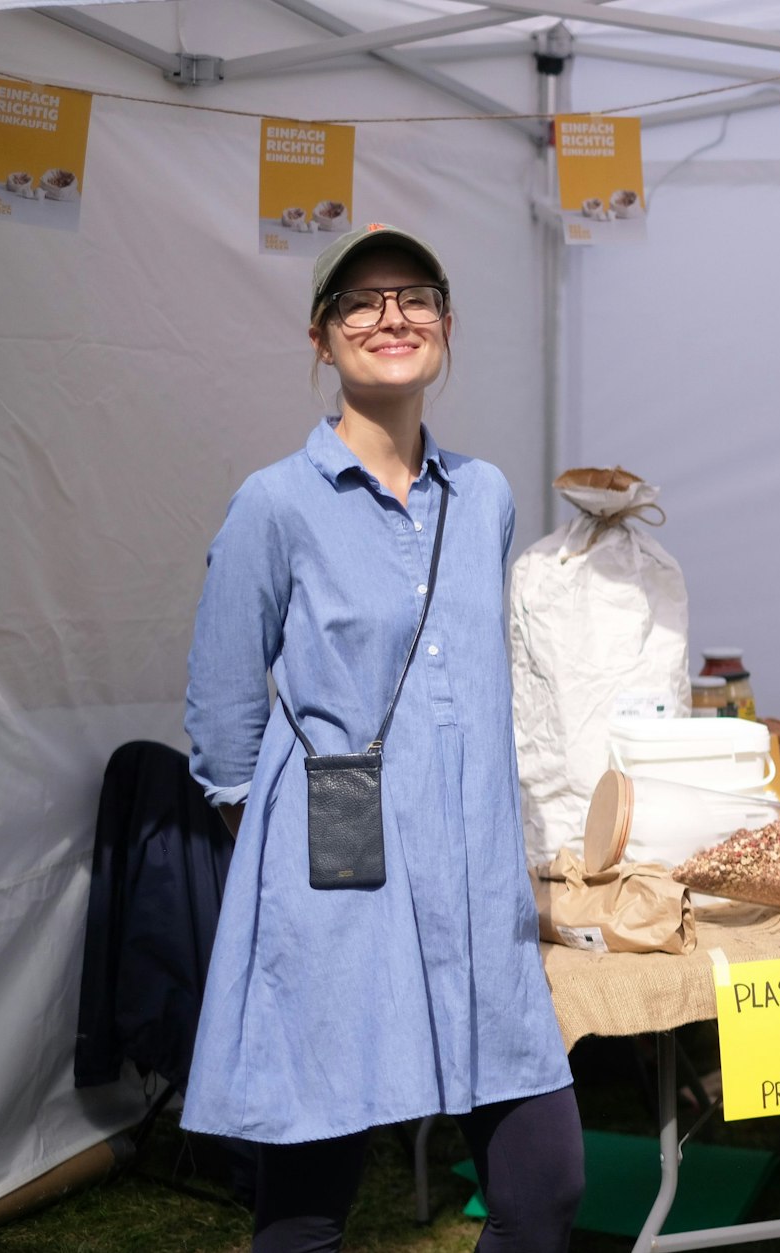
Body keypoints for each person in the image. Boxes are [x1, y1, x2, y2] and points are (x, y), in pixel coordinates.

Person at [183, 226, 583, 1252]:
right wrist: (283, 851)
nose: (389, 316)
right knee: (310, 1204)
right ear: (320, 338)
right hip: (339, 884)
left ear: (445, 325)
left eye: (412, 296)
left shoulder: (484, 494)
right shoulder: (275, 502)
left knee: (543, 1187)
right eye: (359, 302)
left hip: (475, 880)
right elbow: (224, 706)